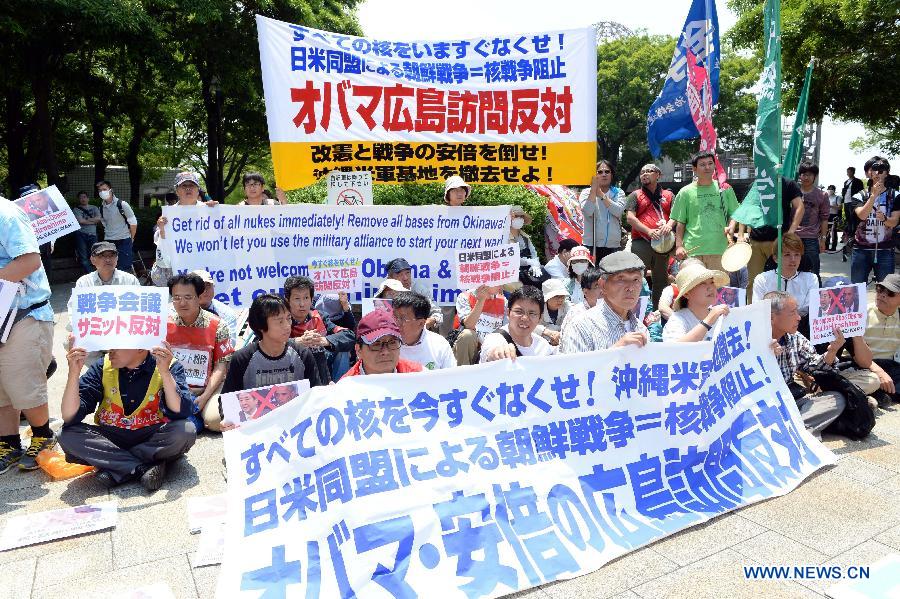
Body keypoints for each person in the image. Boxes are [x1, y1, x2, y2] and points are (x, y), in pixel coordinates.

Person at [58, 341, 196, 491]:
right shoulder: (103, 365)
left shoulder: (167, 364)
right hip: (112, 437)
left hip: (151, 435)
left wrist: (165, 373)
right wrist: (73, 373)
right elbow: (69, 416)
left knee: (185, 431)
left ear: (140, 347)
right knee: (66, 435)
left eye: (117, 345)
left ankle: (118, 467)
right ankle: (142, 468)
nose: (110, 350)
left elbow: (181, 411)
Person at [0, 196, 56, 474]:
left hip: (23, 313)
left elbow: (30, 260)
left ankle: (43, 436)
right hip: (2, 312)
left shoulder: (6, 214)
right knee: (2, 387)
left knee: (24, 382)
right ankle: (8, 442)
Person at [766, 291, 847, 438]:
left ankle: (792, 432)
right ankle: (799, 432)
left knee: (837, 399)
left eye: (797, 311)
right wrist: (764, 355)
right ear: (772, 317)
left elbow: (815, 365)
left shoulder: (795, 338)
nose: (799, 317)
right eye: (792, 313)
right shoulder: (750, 339)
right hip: (761, 406)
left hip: (789, 401)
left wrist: (832, 350)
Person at [166, 272, 234, 432]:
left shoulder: (218, 325)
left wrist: (204, 397)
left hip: (207, 388)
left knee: (216, 421)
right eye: (176, 298)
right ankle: (190, 417)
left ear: (199, 297)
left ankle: (195, 415)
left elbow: (221, 367)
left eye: (188, 297)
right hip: (174, 388)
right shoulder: (164, 325)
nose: (182, 303)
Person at [220, 294, 324, 396]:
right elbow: (226, 401)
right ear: (261, 325)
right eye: (280, 321)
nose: (287, 326)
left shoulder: (302, 354)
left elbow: (315, 394)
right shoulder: (242, 359)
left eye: (288, 318)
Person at [560, 251, 648, 353]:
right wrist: (615, 351)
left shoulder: (641, 329)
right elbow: (574, 363)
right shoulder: (581, 327)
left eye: (636, 279)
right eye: (621, 279)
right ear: (602, 285)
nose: (630, 288)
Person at [671, 151, 740, 271]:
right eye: (702, 164)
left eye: (710, 163)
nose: (707, 167)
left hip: (720, 249)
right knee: (693, 283)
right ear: (694, 169)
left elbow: (735, 213)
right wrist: (679, 246)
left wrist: (731, 226)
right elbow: (680, 223)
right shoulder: (685, 192)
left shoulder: (725, 188)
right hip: (692, 250)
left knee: (718, 283)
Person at [839, 274, 900, 404]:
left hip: (889, 365)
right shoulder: (861, 313)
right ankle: (875, 394)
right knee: (869, 380)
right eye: (880, 290)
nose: (882, 295)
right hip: (859, 363)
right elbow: (855, 354)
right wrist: (879, 372)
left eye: (890, 293)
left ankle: (874, 394)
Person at [742, 179, 804, 302]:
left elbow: (800, 207)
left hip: (779, 242)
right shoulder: (755, 185)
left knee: (782, 280)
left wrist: (790, 232)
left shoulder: (787, 183)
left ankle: (784, 309)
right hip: (756, 242)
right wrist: (740, 234)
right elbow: (745, 209)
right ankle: (753, 310)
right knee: (753, 281)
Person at [285, 276, 355, 382]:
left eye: (306, 298)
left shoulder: (319, 316)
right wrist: (298, 341)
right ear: (287, 301)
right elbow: (266, 342)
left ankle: (340, 386)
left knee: (341, 348)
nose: (302, 304)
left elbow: (348, 334)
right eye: (297, 299)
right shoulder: (281, 319)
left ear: (311, 299)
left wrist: (323, 340)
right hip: (292, 368)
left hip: (322, 364)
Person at [152, 171, 217, 285]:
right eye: (184, 185)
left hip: (204, 267)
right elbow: (162, 246)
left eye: (192, 185)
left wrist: (218, 212)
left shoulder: (210, 210)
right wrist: (162, 230)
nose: (188, 188)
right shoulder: (168, 214)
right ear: (177, 191)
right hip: (177, 269)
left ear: (198, 190)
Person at [626, 163, 676, 310]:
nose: (644, 174)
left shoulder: (668, 195)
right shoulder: (635, 195)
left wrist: (669, 225)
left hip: (663, 243)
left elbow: (676, 215)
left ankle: (658, 313)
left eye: (649, 171)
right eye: (642, 172)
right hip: (641, 242)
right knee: (636, 278)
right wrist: (648, 231)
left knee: (661, 280)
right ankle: (633, 312)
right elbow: (630, 218)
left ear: (658, 175)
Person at [847, 157, 899, 283]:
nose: (877, 173)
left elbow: (894, 222)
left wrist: (885, 219)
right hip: (861, 249)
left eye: (881, 170)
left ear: (887, 173)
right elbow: (862, 215)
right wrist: (873, 195)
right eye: (874, 169)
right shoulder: (859, 195)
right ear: (868, 173)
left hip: (885, 250)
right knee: (858, 289)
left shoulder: (895, 195)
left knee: (886, 288)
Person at [751, 233, 818, 320]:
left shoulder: (811, 279)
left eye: (797, 254)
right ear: (775, 258)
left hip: (800, 323)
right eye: (787, 255)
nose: (793, 259)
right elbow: (757, 309)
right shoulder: (762, 280)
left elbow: (809, 309)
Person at [481, 286, 558, 361]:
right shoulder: (495, 340)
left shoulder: (543, 346)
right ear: (508, 313)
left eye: (532, 313)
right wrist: (495, 354)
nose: (525, 318)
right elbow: (490, 354)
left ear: (540, 318)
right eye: (518, 312)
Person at [341, 310, 424, 378]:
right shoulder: (346, 388)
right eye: (376, 344)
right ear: (358, 350)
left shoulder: (419, 376)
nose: (385, 352)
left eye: (392, 342)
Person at [662, 263, 730, 342]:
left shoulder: (721, 315)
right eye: (702, 283)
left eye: (712, 282)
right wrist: (708, 321)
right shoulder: (677, 320)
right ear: (686, 294)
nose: (710, 288)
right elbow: (674, 348)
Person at [394, 291, 456, 370]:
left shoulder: (440, 345)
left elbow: (451, 375)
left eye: (403, 318)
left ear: (421, 323)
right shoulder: (386, 346)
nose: (396, 322)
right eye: (395, 317)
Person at [580, 160, 626, 261]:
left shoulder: (618, 192)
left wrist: (601, 195)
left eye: (607, 172)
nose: (604, 174)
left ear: (611, 175)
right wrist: (593, 191)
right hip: (591, 244)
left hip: (613, 245)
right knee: (591, 271)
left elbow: (618, 211)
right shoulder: (586, 192)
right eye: (600, 172)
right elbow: (587, 212)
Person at [452, 284, 508, 365]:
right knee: (467, 334)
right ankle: (463, 371)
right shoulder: (465, 296)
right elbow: (469, 325)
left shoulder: (503, 301)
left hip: (491, 348)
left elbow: (506, 330)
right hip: (470, 347)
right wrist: (481, 300)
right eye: (497, 283)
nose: (501, 286)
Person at [383, 258, 441, 330]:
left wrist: (430, 321)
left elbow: (437, 313)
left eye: (407, 273)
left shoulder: (419, 290)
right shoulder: (385, 291)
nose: (405, 278)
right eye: (399, 274)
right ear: (390, 279)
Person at [795, 162, 830, 277]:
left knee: (813, 274)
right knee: (792, 272)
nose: (806, 177)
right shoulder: (793, 192)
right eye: (804, 174)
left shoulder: (822, 195)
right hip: (794, 237)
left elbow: (824, 219)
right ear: (800, 176)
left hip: (811, 239)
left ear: (815, 176)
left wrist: (823, 240)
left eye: (810, 174)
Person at [96, 180, 138, 273]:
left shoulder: (122, 204)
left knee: (125, 269)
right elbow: (104, 224)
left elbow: (133, 223)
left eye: (104, 189)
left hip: (124, 240)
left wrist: (131, 238)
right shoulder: (101, 208)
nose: (102, 192)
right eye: (100, 190)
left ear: (111, 190)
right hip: (109, 241)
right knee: (110, 268)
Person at [191, 269, 240, 348]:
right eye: (199, 286)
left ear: (213, 287)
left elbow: (230, 345)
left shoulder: (226, 313)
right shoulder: (176, 312)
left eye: (208, 285)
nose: (204, 290)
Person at [75, 242, 140, 288]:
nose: (108, 260)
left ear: (117, 258)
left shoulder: (130, 280)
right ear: (92, 260)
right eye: (102, 256)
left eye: (112, 255)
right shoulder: (84, 283)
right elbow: (74, 304)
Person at [509, 206, 545, 286]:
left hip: (529, 270)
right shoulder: (505, 238)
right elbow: (510, 258)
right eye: (516, 216)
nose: (519, 218)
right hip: (514, 273)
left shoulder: (525, 237)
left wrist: (535, 264)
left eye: (521, 216)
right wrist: (528, 262)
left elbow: (533, 252)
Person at [72, 191, 102, 274]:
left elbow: (99, 219)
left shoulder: (94, 208)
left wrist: (86, 220)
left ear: (88, 198)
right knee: (83, 257)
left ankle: (97, 274)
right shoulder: (76, 209)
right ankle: (90, 274)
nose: (83, 199)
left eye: (84, 197)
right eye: (81, 197)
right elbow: (80, 221)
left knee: (95, 255)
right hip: (81, 234)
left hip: (93, 234)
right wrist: (93, 221)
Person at [535, 278, 571, 346]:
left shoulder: (568, 307)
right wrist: (548, 332)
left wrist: (560, 335)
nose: (560, 299)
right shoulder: (537, 308)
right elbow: (531, 326)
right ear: (547, 298)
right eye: (557, 296)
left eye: (562, 296)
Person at [826, 184, 841, 251]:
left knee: (833, 231)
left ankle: (833, 246)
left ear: (834, 190)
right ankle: (826, 245)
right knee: (826, 231)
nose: (830, 190)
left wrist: (831, 206)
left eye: (832, 189)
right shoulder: (826, 197)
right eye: (829, 189)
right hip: (827, 215)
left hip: (834, 216)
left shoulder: (837, 197)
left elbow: (840, 207)